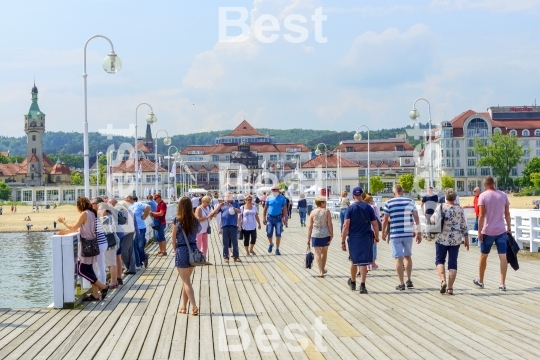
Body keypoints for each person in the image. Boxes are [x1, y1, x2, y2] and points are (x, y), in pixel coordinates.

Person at [57, 196, 110, 301]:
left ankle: (103, 286)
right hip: (93, 244)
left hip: (86, 245)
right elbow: (81, 229)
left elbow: (74, 227)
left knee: (80, 270)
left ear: (80, 205)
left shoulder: (84, 213)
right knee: (89, 269)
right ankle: (95, 294)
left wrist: (63, 221)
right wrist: (66, 232)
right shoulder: (92, 213)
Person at [474, 176, 511, 291]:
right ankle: (502, 283)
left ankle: (480, 280)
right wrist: (509, 228)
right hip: (501, 230)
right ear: (494, 184)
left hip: (487, 230)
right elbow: (507, 214)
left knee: (483, 255)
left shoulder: (483, 196)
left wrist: (479, 231)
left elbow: (481, 215)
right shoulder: (503, 195)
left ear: (485, 185)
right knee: (503, 256)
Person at [382, 184, 422, 291]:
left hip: (395, 234)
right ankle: (409, 279)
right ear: (402, 191)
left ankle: (401, 283)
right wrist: (419, 233)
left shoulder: (389, 203)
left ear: (393, 192)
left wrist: (383, 233)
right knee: (407, 256)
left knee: (398, 258)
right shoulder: (410, 202)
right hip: (408, 233)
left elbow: (385, 220)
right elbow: (416, 218)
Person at [430, 188, 469, 295]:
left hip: (441, 238)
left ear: (446, 197)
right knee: (453, 263)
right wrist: (466, 238)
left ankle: (443, 281)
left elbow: (433, 220)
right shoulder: (460, 209)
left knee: (439, 260)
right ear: (455, 197)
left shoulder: (441, 207)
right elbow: (463, 225)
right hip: (455, 240)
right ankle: (450, 288)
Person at [342, 187, 379, 294]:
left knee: (354, 260)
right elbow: (375, 224)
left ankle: (353, 282)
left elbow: (345, 226)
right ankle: (362, 285)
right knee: (364, 262)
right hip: (366, 237)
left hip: (354, 238)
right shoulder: (369, 208)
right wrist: (376, 236)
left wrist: (343, 241)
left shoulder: (350, 209)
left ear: (353, 196)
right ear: (362, 195)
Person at [172, 197, 200, 315]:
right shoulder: (195, 220)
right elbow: (197, 233)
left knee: (186, 281)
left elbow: (173, 237)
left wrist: (174, 249)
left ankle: (193, 306)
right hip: (193, 250)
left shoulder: (177, 220)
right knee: (186, 280)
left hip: (182, 250)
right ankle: (183, 307)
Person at [210, 191, 241, 263]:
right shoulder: (223, 205)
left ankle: (236, 257)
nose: (228, 198)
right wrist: (219, 206)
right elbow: (215, 212)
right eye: (226, 196)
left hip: (233, 225)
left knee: (235, 242)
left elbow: (239, 211)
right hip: (224, 225)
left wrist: (232, 208)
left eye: (229, 196)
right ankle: (225, 257)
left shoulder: (235, 203)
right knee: (225, 242)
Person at [307, 196, 333, 277]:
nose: (326, 204)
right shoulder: (326, 211)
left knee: (317, 253)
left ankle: (320, 271)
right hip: (325, 234)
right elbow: (329, 224)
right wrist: (332, 234)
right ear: (321, 203)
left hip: (315, 234)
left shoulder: (312, 212)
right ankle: (323, 268)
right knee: (324, 252)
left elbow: (310, 226)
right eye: (325, 202)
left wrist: (308, 238)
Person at [97, 203, 120, 289]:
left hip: (110, 243)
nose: (98, 211)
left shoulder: (106, 218)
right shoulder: (110, 216)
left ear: (105, 210)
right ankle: (114, 280)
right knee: (111, 262)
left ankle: (113, 282)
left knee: (111, 263)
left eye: (100, 209)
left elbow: (99, 226)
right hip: (112, 241)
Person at [91, 197, 113, 284]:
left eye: (93, 203)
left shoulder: (101, 213)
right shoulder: (99, 213)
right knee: (100, 266)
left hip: (103, 242)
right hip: (104, 242)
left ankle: (103, 286)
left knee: (101, 266)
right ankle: (103, 284)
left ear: (98, 204)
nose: (91, 205)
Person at [126, 195, 150, 268]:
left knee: (139, 245)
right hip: (132, 228)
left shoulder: (137, 204)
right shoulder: (126, 206)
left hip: (140, 227)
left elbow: (148, 207)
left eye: (125, 199)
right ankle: (139, 261)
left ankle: (143, 258)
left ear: (129, 199)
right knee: (135, 246)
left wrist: (145, 216)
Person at [263, 185, 288, 255]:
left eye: (275, 189)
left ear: (278, 190)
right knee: (269, 233)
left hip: (278, 218)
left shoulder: (282, 198)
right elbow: (265, 208)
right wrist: (263, 217)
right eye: (273, 189)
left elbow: (285, 209)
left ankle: (277, 249)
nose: (274, 191)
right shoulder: (268, 198)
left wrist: (286, 219)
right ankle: (271, 243)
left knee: (278, 234)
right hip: (270, 218)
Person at [116, 200, 137, 275]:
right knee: (131, 251)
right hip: (130, 231)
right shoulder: (129, 211)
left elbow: (122, 222)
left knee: (124, 252)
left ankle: (129, 268)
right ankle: (131, 268)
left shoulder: (123, 212)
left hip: (126, 233)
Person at [194, 195, 213, 264]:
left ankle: (203, 259)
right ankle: (197, 259)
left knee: (205, 245)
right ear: (203, 201)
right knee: (198, 245)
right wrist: (207, 216)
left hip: (205, 229)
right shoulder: (199, 208)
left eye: (209, 202)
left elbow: (208, 218)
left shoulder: (207, 208)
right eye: (207, 202)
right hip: (199, 230)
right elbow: (198, 219)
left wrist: (211, 217)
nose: (208, 203)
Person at [364, 194, 380, 270]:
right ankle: (373, 262)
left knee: (366, 246)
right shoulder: (374, 207)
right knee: (373, 247)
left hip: (365, 229)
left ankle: (367, 263)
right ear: (370, 201)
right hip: (373, 229)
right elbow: (378, 218)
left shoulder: (364, 208)